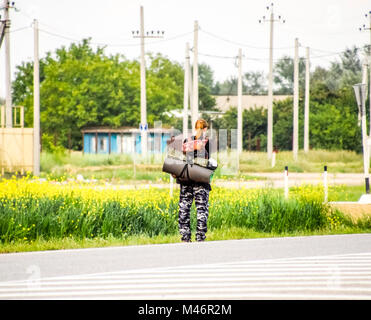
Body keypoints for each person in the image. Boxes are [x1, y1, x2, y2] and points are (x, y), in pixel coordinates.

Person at [174, 119, 212, 243]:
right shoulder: (207, 142)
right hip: (200, 180)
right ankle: (200, 236)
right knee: (201, 208)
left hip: (186, 179)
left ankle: (185, 236)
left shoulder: (187, 141)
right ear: (205, 129)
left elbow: (181, 158)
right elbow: (207, 160)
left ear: (195, 128)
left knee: (184, 207)